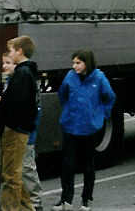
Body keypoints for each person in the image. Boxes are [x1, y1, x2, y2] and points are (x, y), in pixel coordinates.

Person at [52, 50, 115, 211]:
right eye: (73, 63)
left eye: (78, 63)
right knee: (68, 165)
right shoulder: (70, 77)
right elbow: (62, 95)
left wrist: (101, 115)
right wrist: (67, 111)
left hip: (89, 128)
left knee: (88, 165)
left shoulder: (99, 78)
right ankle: (66, 199)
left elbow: (109, 97)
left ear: (87, 63)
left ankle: (86, 199)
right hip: (71, 126)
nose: (74, 66)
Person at [0, 36, 39, 211]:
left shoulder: (22, 74)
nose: (10, 55)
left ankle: (9, 208)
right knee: (14, 175)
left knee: (10, 176)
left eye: (11, 51)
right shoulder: (26, 73)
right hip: (18, 128)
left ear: (19, 51)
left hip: (14, 129)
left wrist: (1, 103)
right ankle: (27, 208)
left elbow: (17, 103)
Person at [3, 52, 44, 211]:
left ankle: (35, 202)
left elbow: (32, 111)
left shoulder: (25, 83)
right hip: (15, 133)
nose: (5, 66)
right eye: (4, 63)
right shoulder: (11, 81)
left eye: (9, 63)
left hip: (24, 134)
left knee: (26, 167)